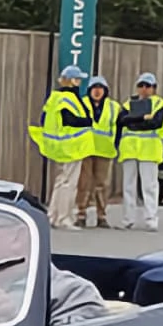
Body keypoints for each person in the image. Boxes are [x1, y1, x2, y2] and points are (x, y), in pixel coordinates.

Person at [32, 66, 93, 231]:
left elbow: (44, 119)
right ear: (72, 80)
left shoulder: (54, 97)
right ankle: (64, 218)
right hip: (72, 146)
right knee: (69, 183)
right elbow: (70, 120)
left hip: (59, 146)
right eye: (78, 79)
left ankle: (53, 215)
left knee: (61, 181)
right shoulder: (69, 98)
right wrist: (87, 121)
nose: (80, 82)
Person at [116, 72, 163, 231]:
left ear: (154, 88)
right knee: (128, 186)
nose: (144, 89)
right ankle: (128, 219)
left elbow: (155, 123)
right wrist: (142, 118)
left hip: (149, 149)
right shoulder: (128, 103)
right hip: (130, 149)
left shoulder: (160, 104)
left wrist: (134, 120)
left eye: (148, 86)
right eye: (141, 85)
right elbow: (121, 121)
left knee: (149, 186)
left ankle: (151, 219)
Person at [74, 76, 118, 228]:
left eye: (100, 88)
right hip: (86, 149)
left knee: (102, 184)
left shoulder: (113, 107)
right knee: (83, 183)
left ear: (105, 91)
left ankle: (101, 215)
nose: (97, 91)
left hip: (105, 150)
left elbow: (118, 128)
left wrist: (115, 145)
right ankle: (81, 214)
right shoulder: (82, 104)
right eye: (94, 88)